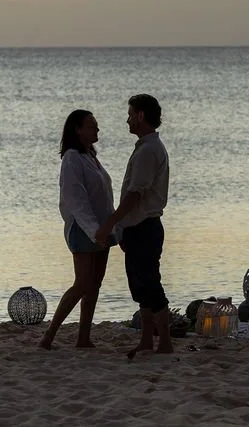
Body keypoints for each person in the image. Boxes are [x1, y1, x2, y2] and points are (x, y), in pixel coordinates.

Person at [96, 94, 172, 356]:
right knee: (139, 285)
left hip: (146, 227)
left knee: (150, 284)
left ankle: (164, 342)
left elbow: (135, 194)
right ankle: (147, 340)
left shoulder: (150, 150)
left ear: (141, 116)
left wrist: (111, 222)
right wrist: (123, 228)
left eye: (130, 114)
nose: (127, 119)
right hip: (137, 227)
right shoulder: (145, 147)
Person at [40, 109, 115, 350]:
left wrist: (112, 227)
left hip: (102, 227)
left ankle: (83, 336)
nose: (97, 129)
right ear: (78, 130)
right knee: (82, 282)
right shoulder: (72, 158)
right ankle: (49, 334)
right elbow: (76, 200)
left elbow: (102, 197)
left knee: (95, 284)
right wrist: (95, 231)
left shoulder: (90, 156)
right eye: (92, 125)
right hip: (83, 229)